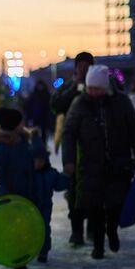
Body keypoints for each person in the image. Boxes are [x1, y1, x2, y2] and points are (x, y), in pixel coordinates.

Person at [61, 65, 135, 260]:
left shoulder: (121, 102)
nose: (93, 92)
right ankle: (98, 246)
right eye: (90, 88)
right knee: (95, 208)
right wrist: (69, 160)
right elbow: (68, 133)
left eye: (97, 88)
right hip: (90, 166)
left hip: (119, 163)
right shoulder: (79, 104)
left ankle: (112, 230)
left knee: (115, 204)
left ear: (105, 87)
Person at [0, 107, 69, 269]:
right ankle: (18, 260)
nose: (24, 124)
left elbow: (32, 161)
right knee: (16, 229)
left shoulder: (22, 140)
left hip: (28, 192)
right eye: (21, 122)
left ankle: (29, 253)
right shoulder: (2, 146)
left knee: (27, 227)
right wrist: (5, 196)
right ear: (14, 125)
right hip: (14, 196)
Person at [51, 51, 94, 246]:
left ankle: (93, 229)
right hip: (73, 147)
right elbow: (56, 105)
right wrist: (75, 89)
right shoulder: (69, 87)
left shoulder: (98, 87)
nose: (84, 70)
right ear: (76, 68)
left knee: (95, 189)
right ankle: (77, 231)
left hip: (95, 148)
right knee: (74, 189)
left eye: (88, 67)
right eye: (81, 66)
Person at [23, 79, 53, 144]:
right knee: (35, 133)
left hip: (44, 118)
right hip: (36, 118)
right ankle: (37, 145)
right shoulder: (34, 95)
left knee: (43, 133)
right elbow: (28, 106)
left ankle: (42, 145)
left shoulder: (46, 95)